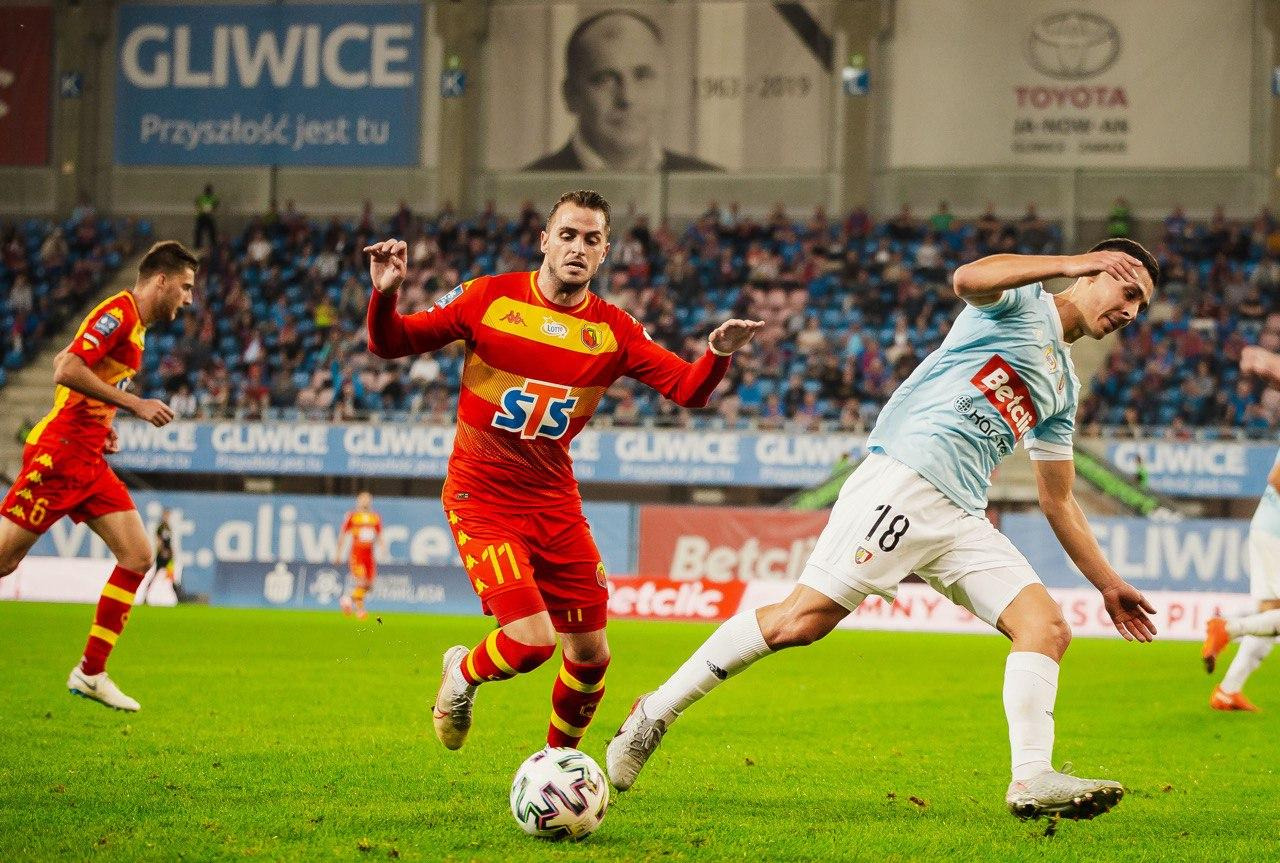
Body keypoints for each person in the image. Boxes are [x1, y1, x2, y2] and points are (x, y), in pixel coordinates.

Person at [607, 239, 1162, 822]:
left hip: (961, 514)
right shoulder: (1022, 302)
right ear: (1094, 272)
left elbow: (1059, 499)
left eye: (1141, 305)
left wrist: (1108, 583)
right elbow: (967, 278)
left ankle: (1031, 777)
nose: (1130, 311)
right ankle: (654, 713)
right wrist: (1069, 263)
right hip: (905, 478)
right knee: (800, 622)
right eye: (1127, 290)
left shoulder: (1064, 389)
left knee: (1046, 627)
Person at [364, 189, 759, 753]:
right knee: (531, 643)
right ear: (545, 241)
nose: (578, 248)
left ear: (605, 253)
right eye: (568, 235)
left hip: (554, 503)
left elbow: (688, 390)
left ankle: (559, 765)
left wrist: (717, 355)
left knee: (591, 657)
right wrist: (385, 295)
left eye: (592, 240)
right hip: (482, 498)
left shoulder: (614, 330)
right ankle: (461, 674)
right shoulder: (488, 298)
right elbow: (390, 342)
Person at [0, 241, 196, 711]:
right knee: (4, 561)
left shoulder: (137, 328)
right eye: (185, 287)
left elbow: (73, 366)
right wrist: (134, 404)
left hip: (87, 457)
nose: (189, 298)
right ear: (161, 280)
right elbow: (65, 368)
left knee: (138, 556)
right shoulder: (119, 313)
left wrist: (102, 421)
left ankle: (91, 672)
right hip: (61, 455)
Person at [523, 10, 720, 172]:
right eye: (605, 79)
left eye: (642, 76)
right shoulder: (525, 189)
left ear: (663, 88)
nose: (627, 98)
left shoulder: (710, 183)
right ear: (571, 95)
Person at [1201, 345, 1280, 710]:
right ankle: (1228, 628)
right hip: (1275, 531)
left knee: (1271, 615)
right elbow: (1277, 479)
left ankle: (1228, 691)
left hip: (1268, 528)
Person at [337, 491, 384, 620]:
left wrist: (383, 547)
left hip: (369, 555)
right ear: (358, 501)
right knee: (361, 582)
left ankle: (347, 599)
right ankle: (360, 610)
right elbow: (343, 533)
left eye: (368, 499)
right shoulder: (352, 516)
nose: (365, 501)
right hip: (357, 554)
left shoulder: (375, 517)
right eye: (363, 499)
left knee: (369, 586)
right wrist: (338, 553)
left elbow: (379, 534)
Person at [137, 507, 178, 605]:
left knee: (171, 576)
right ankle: (145, 596)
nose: (167, 517)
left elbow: (170, 542)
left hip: (169, 556)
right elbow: (158, 540)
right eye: (166, 515)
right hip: (162, 555)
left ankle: (178, 598)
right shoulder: (160, 528)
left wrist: (171, 551)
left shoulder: (168, 527)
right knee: (155, 575)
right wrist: (162, 551)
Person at [194, 184, 218, 249]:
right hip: (202, 216)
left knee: (212, 231)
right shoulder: (201, 198)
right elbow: (197, 203)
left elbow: (215, 204)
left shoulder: (213, 198)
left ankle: (213, 245)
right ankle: (197, 245)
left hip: (208, 216)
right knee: (198, 231)